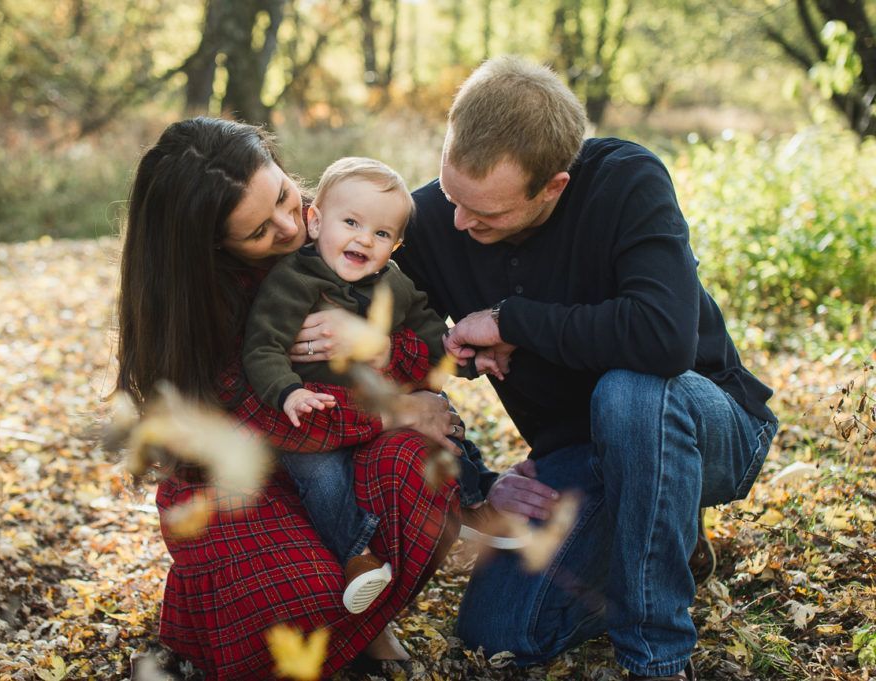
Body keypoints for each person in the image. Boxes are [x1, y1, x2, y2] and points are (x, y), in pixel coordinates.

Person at [393, 57, 779, 681]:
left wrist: (513, 321)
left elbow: (664, 340)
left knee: (630, 394)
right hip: (579, 450)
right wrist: (474, 476)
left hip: (705, 424)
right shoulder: (438, 217)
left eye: (486, 215)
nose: (460, 223)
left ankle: (656, 656)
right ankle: (663, 539)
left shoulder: (626, 181)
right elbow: (383, 350)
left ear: (554, 186)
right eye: (451, 195)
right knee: (501, 633)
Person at [115, 117, 464, 679]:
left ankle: (367, 613)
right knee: (301, 599)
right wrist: (394, 408)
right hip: (238, 484)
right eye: (257, 231)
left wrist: (376, 346)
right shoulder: (200, 306)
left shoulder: (338, 232)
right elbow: (265, 418)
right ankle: (353, 619)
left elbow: (419, 337)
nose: (287, 226)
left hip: (334, 447)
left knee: (414, 463)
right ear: (214, 245)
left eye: (284, 195)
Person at [243, 157, 511, 613]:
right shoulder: (293, 282)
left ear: (396, 244)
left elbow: (431, 335)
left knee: (439, 411)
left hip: (379, 400)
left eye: (382, 234)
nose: (364, 239)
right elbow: (262, 347)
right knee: (321, 476)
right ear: (315, 221)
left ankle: (475, 495)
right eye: (351, 222)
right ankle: (358, 556)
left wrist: (468, 357)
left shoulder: (395, 283)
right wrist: (288, 391)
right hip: (318, 411)